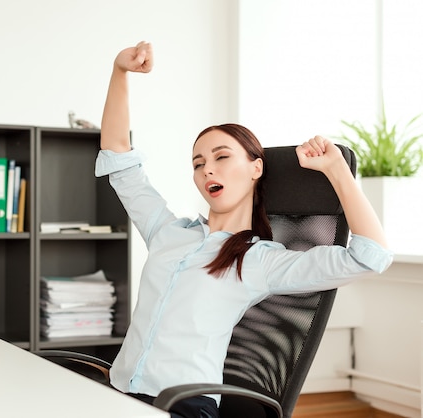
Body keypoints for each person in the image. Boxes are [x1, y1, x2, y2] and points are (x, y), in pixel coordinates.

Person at [94, 41, 393, 418]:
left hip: (181, 406)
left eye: (221, 157)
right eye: (198, 162)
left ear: (256, 168)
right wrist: (120, 72)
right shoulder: (167, 233)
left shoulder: (260, 261)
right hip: (118, 395)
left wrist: (337, 171)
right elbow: (120, 161)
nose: (207, 170)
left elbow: (371, 257)